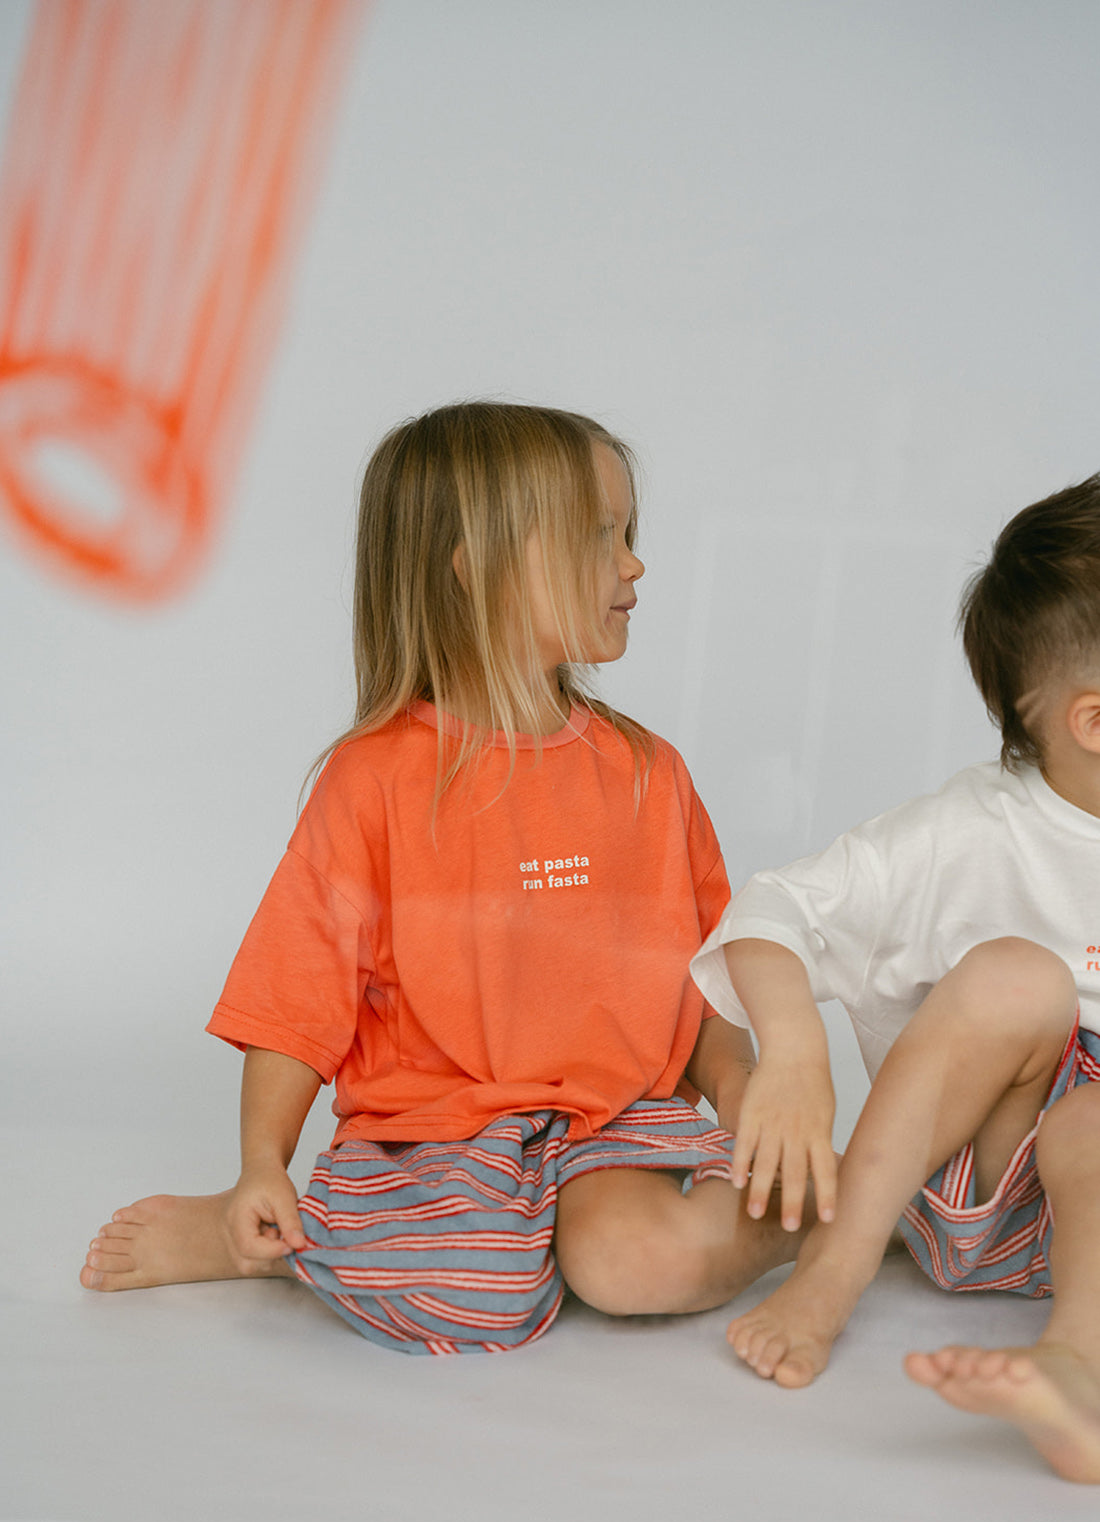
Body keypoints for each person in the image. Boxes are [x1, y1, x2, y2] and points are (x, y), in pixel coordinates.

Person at [80, 400, 808, 1353]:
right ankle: (255, 1233)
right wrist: (263, 1163)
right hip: (433, 1132)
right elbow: (297, 1006)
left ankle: (846, 1208)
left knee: (632, 1264)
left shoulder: (649, 774)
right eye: (601, 535)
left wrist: (741, 1083)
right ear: (479, 568)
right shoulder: (372, 781)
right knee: (477, 1298)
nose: (634, 564)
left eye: (630, 535)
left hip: (617, 1122)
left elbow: (707, 976)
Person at [691, 473, 1100, 1481]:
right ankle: (830, 1275)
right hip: (992, 1190)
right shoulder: (969, 834)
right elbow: (771, 913)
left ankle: (1074, 1371)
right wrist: (790, 1054)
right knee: (1017, 980)